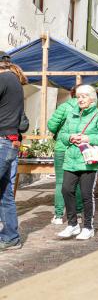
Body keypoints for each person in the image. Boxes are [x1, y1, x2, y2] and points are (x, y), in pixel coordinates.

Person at [57, 85, 98, 240]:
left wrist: (88, 138)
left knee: (86, 194)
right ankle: (72, 225)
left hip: (88, 161)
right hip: (71, 159)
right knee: (66, 190)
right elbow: (62, 134)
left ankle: (88, 226)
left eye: (84, 96)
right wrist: (70, 137)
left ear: (92, 98)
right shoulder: (72, 114)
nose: (80, 99)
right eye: (78, 96)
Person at [0, 56, 26, 251]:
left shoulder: (5, 79)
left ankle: (11, 237)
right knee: (5, 193)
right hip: (9, 142)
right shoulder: (14, 81)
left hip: (2, 141)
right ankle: (11, 237)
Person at [47, 85, 84, 224]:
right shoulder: (88, 108)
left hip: (62, 148)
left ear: (72, 93)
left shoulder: (64, 107)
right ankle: (79, 213)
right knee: (79, 182)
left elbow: (51, 125)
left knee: (60, 182)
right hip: (80, 148)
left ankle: (58, 215)